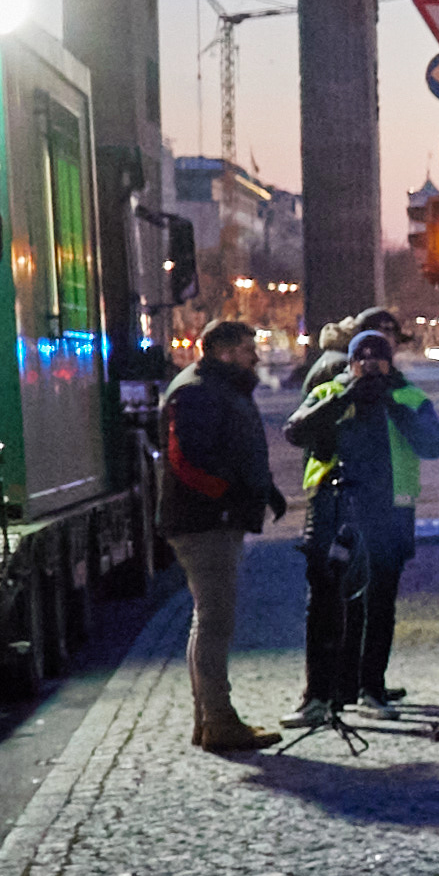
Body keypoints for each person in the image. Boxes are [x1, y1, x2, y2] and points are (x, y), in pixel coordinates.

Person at [287, 326, 439, 714]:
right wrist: (346, 397)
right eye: (361, 358)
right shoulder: (330, 392)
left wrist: (392, 405)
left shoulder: (408, 395)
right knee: (324, 601)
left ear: (390, 361)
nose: (369, 365)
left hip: (389, 509)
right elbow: (295, 430)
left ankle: (371, 687)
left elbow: (433, 445)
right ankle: (319, 694)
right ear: (351, 362)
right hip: (333, 506)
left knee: (380, 601)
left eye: (377, 358)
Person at [156, 318, 286, 755]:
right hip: (205, 521)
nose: (256, 355)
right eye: (249, 348)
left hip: (213, 516)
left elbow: (234, 450)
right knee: (215, 622)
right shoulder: (197, 391)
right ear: (225, 350)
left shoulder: (217, 387)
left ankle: (209, 721)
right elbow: (187, 461)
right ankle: (219, 721)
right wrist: (230, 497)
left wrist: (264, 489)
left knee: (209, 619)